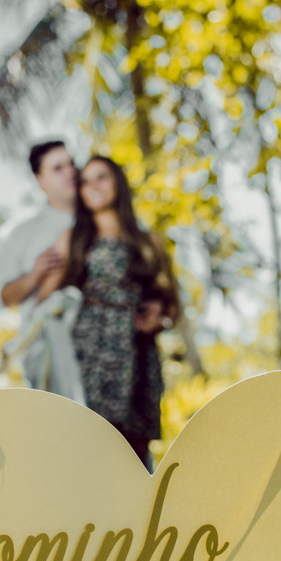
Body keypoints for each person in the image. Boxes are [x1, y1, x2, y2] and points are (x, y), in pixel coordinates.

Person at [36, 156, 180, 466]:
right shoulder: (73, 239)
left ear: (117, 182)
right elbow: (44, 299)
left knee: (135, 455)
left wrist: (159, 316)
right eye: (85, 182)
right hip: (89, 354)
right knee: (88, 449)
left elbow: (172, 304)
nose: (93, 187)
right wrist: (39, 274)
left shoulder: (147, 241)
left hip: (137, 356)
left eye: (101, 177)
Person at [0, 140, 84, 398]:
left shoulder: (103, 216)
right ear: (40, 179)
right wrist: (34, 275)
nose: (70, 171)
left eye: (71, 163)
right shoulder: (19, 232)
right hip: (47, 354)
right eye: (58, 168)